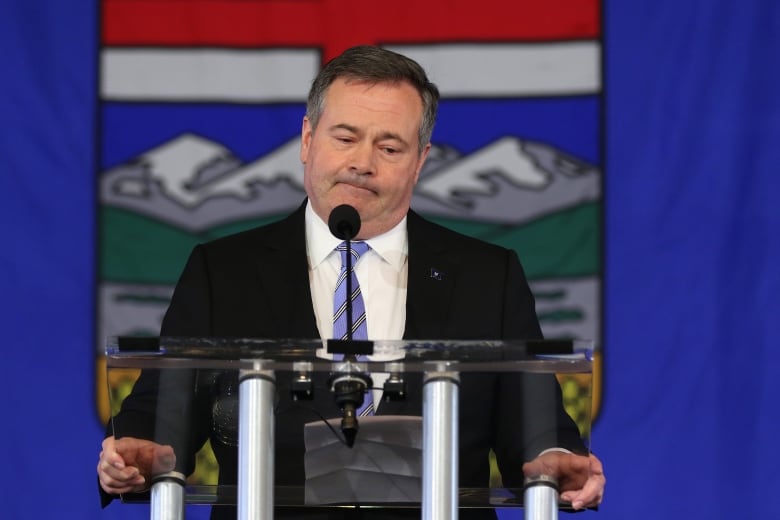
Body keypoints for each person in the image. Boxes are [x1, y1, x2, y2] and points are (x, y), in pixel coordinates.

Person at [97, 45, 605, 518]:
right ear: (307, 140)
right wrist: (135, 448)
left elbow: (535, 423)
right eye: (345, 138)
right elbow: (162, 410)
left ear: (420, 161)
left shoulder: (488, 275)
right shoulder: (223, 270)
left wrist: (558, 457)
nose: (362, 163)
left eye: (389, 147)